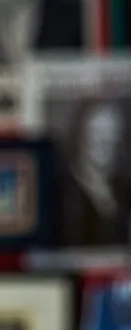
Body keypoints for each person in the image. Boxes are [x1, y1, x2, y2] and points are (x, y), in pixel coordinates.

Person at [58, 98, 131, 249]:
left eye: (112, 134)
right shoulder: (65, 191)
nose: (105, 142)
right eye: (98, 132)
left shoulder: (123, 190)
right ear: (81, 136)